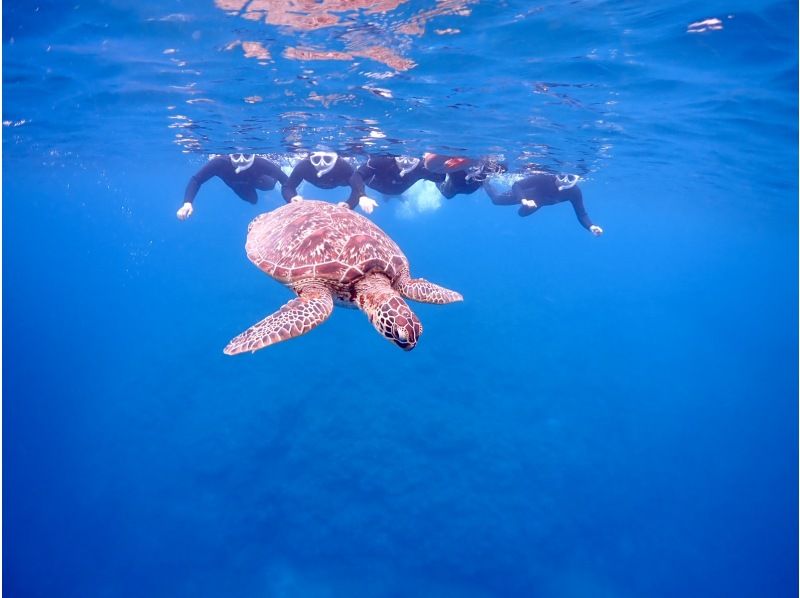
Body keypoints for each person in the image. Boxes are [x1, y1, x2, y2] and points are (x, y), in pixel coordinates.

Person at [484, 173, 603, 236]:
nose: (565, 180)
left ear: (576, 179)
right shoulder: (545, 178)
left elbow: (581, 213)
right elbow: (517, 185)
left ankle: (526, 206)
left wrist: (591, 227)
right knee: (496, 200)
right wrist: (523, 200)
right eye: (562, 176)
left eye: (570, 178)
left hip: (538, 203)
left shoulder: (574, 192)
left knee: (522, 214)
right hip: (525, 195)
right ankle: (484, 180)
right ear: (558, 174)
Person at [176, 153, 289, 220]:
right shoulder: (219, 163)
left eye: (246, 156)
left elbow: (286, 181)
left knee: (269, 185)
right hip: (238, 185)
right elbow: (196, 180)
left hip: (256, 180)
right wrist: (187, 202)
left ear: (253, 155)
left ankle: (277, 167)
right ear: (230, 155)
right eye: (236, 155)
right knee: (253, 200)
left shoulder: (260, 162)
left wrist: (291, 198)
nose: (241, 160)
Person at [282, 151, 378, 213]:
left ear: (335, 159)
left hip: (341, 181)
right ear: (310, 159)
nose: (322, 164)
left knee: (362, 178)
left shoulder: (343, 167)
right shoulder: (304, 166)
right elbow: (288, 186)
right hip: (334, 181)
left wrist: (350, 204)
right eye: (316, 159)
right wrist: (291, 198)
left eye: (328, 159)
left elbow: (357, 185)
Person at [357, 154, 445, 197]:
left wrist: (440, 164)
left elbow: (440, 178)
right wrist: (362, 196)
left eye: (411, 159)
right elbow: (358, 175)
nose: (406, 162)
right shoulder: (383, 160)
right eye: (401, 158)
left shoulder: (421, 167)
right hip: (376, 181)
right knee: (358, 168)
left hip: (395, 190)